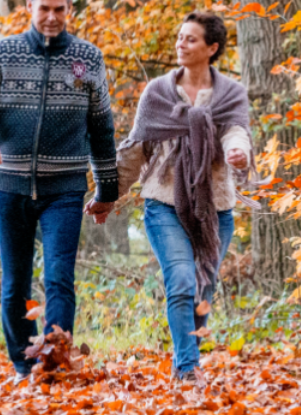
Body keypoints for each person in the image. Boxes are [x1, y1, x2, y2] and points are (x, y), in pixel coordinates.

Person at [0, 0, 120, 382]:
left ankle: (53, 363)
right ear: (29, 5)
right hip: (10, 186)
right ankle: (22, 365)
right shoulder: (3, 52)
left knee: (59, 277)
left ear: (69, 10)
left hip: (64, 188)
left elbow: (102, 129)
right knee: (15, 283)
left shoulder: (87, 58)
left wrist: (107, 191)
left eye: (59, 9)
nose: (51, 17)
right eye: (44, 7)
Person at [105, 11, 256, 385]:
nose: (180, 44)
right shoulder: (157, 92)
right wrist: (108, 196)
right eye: (179, 37)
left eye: (190, 39)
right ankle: (188, 369)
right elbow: (135, 149)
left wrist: (238, 152)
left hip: (216, 207)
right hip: (164, 203)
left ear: (212, 48)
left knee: (204, 288)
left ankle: (185, 361)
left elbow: (237, 131)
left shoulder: (230, 94)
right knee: (182, 281)